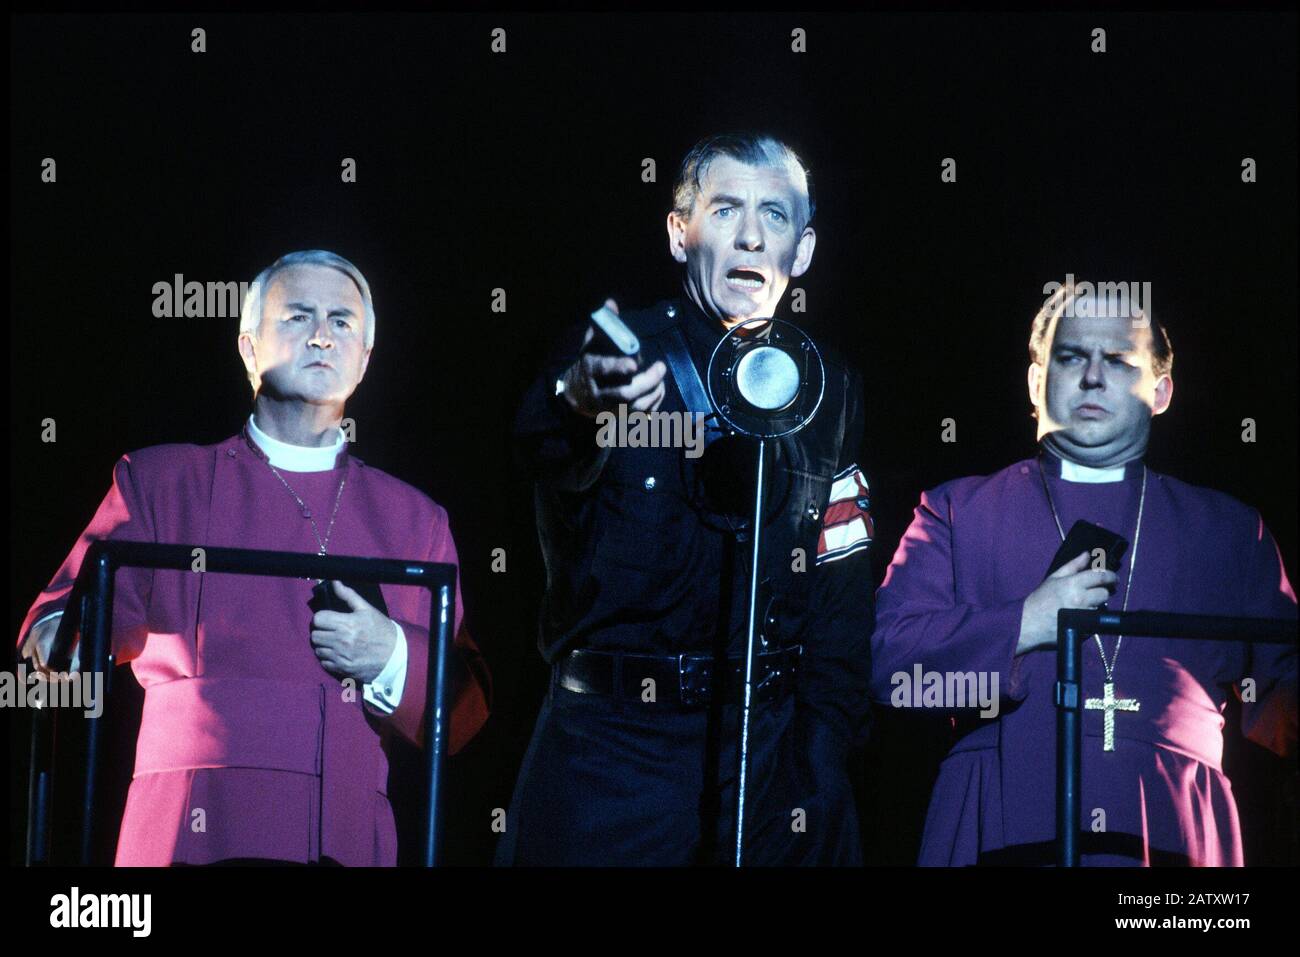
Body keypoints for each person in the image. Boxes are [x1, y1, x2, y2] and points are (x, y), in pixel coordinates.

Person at [18, 249, 491, 865]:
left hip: (342, 835)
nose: (322, 334)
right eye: (297, 316)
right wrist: (63, 644)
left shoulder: (414, 519)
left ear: (365, 361)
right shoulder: (162, 481)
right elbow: (60, 635)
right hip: (187, 828)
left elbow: (460, 715)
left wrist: (391, 654)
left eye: (342, 321)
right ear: (247, 349)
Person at [498, 132, 874, 866]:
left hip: (769, 756)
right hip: (614, 756)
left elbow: (842, 585)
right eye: (726, 207)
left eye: (775, 212)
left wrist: (823, 755)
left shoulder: (831, 386)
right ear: (680, 233)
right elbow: (544, 444)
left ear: (803, 248)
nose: (752, 233)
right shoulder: (616, 351)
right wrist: (579, 402)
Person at [871, 280, 1297, 865]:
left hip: (1170, 830)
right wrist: (1024, 623)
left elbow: (1280, 705)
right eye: (1072, 357)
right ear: (1034, 382)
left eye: (1119, 361)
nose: (1093, 377)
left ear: (1162, 391)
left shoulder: (1227, 530)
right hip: (997, 824)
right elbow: (892, 671)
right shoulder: (956, 510)